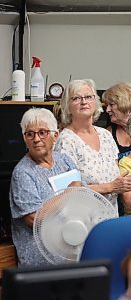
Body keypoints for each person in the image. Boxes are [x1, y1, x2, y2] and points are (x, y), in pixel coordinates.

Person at [55, 79, 131, 211]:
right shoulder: (66, 140)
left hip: (110, 214)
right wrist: (110, 187)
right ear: (68, 106)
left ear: (96, 102)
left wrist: (130, 183)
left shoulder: (105, 135)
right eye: (76, 98)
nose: (84, 102)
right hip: (82, 219)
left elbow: (116, 177)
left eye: (88, 97)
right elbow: (66, 190)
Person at [9, 108, 83, 265]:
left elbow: (82, 194)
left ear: (55, 135)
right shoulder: (23, 173)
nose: (36, 139)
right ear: (25, 139)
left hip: (70, 251)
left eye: (42, 132)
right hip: (42, 262)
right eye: (30, 134)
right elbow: (33, 219)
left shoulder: (65, 160)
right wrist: (68, 193)